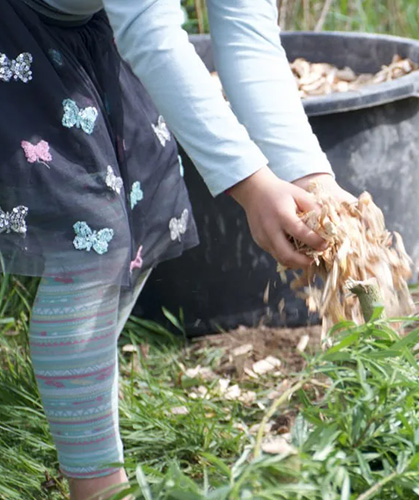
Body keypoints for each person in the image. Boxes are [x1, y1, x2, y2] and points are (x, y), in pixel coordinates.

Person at [0, 0, 355, 498]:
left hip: (77, 29)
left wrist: (309, 177)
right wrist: (252, 187)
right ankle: (98, 485)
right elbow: (148, 24)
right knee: (91, 246)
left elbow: (247, 32)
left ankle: (83, 407)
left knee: (143, 211)